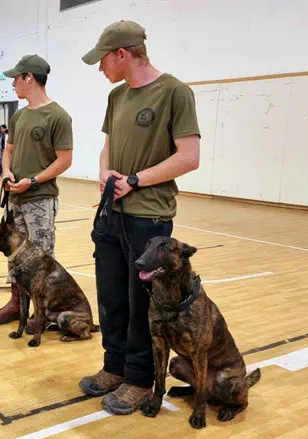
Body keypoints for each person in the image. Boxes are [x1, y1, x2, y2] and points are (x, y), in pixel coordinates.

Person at [77, 20, 201, 416]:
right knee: (111, 296)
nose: (101, 69)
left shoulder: (175, 92)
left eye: (103, 60)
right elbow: (107, 148)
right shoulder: (116, 97)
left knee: (139, 303)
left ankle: (138, 378)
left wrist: (134, 180)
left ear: (122, 54)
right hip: (112, 214)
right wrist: (104, 173)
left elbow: (189, 156)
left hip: (149, 220)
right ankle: (114, 367)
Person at [0, 55, 73, 330]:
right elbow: (8, 151)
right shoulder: (19, 116)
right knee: (15, 252)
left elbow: (64, 160)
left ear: (29, 78)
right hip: (16, 196)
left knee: (40, 256)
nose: (13, 83)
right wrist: (6, 173)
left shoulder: (58, 116)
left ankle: (42, 310)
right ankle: (17, 302)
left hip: (40, 198)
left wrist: (33, 181)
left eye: (16, 77)